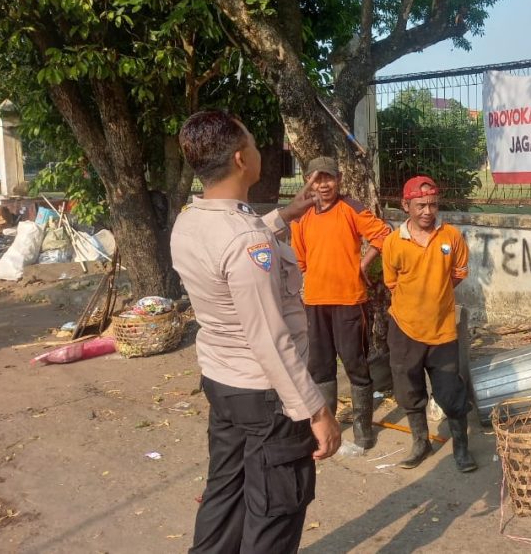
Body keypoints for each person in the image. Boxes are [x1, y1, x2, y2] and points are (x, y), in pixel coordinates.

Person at [171, 110, 340, 554]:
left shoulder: (191, 220)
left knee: (224, 497)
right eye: (255, 143)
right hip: (267, 398)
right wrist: (316, 412)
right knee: (274, 512)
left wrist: (285, 214)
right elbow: (270, 339)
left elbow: (233, 244)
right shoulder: (248, 242)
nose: (261, 150)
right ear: (242, 159)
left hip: (223, 385)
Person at [290, 156, 391, 450]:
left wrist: (363, 264)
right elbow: (299, 260)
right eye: (317, 179)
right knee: (319, 367)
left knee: (355, 364)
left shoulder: (351, 208)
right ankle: (327, 425)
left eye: (329, 178)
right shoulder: (301, 216)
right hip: (315, 303)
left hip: (349, 300)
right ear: (308, 182)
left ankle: (362, 429)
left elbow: (383, 235)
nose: (324, 185)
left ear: (339, 180)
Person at [381, 176, 476, 473]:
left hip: (442, 330)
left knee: (450, 392)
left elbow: (458, 273)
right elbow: (392, 282)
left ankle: (461, 448)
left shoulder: (451, 237)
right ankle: (420, 444)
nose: (427, 211)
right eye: (420, 205)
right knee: (408, 389)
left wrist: (436, 295)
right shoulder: (393, 242)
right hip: (404, 328)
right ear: (406, 205)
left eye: (433, 204)